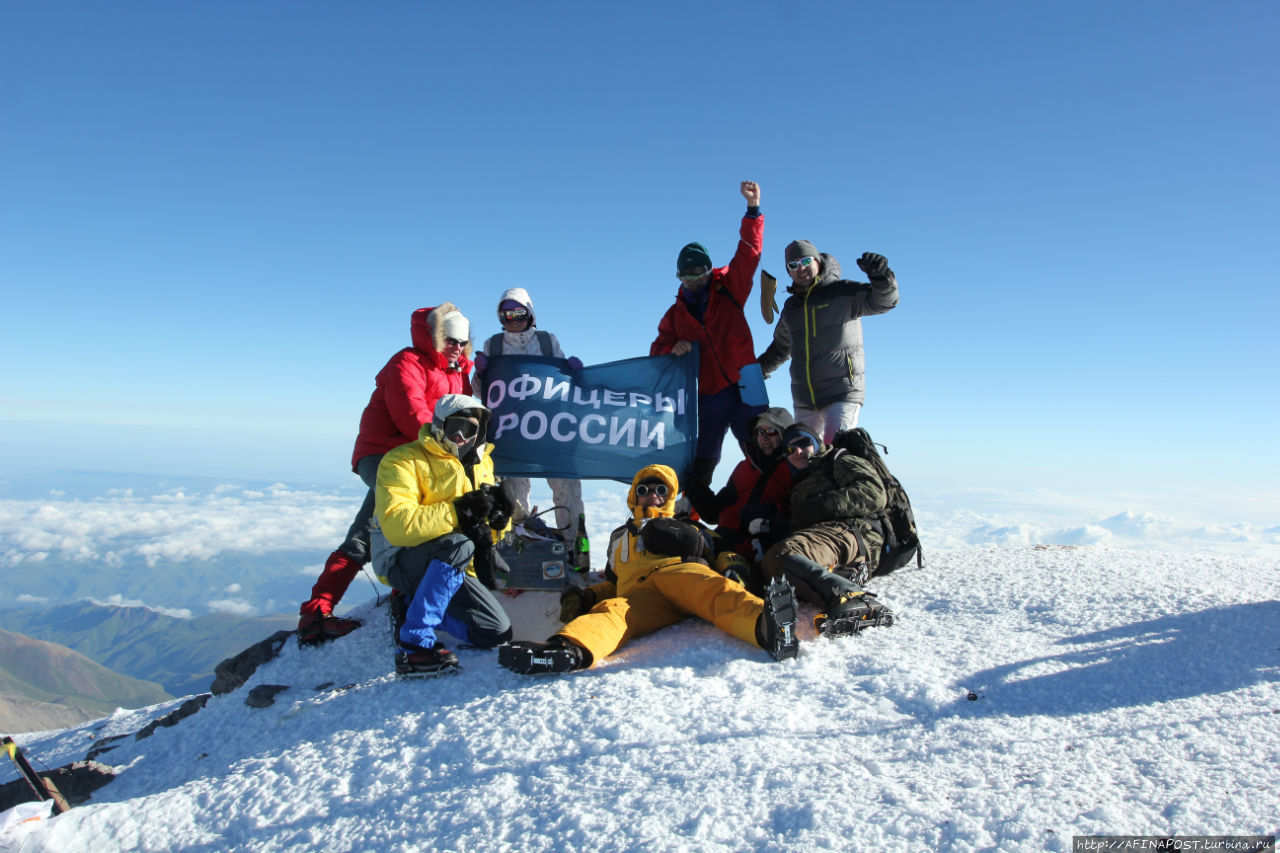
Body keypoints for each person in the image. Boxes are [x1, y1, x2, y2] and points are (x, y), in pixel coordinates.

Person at [497, 464, 801, 674]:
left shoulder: (688, 525)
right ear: (634, 494)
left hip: (681, 575)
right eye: (644, 488)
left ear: (670, 497)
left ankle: (767, 627)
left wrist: (734, 570)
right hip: (639, 594)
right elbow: (614, 583)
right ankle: (567, 650)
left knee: (712, 591)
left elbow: (723, 551)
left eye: (661, 489)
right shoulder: (619, 536)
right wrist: (589, 596)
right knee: (612, 611)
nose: (652, 494)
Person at [296, 304, 474, 646]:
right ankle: (326, 611)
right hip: (383, 454)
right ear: (436, 336)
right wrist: (450, 450)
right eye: (451, 339)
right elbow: (413, 414)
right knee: (386, 527)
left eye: (462, 342)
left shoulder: (457, 371)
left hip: (421, 458)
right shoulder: (406, 364)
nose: (456, 347)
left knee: (371, 529)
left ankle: (321, 610)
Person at [371, 394, 514, 675]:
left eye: (471, 430)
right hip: (401, 559)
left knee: (496, 633)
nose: (461, 437)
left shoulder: (482, 464)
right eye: (455, 428)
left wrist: (500, 523)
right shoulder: (402, 461)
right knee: (456, 543)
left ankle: (412, 603)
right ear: (439, 425)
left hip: (453, 565)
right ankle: (415, 644)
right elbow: (397, 526)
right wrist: (458, 512)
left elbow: (482, 529)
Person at [650, 181, 767, 491]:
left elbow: (749, 253)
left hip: (747, 380)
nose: (692, 281)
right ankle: (690, 516)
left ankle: (773, 508)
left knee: (763, 446)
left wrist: (753, 210)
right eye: (685, 277)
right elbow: (657, 352)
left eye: (698, 274)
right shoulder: (675, 316)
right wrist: (672, 348)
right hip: (710, 389)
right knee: (704, 455)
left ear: (708, 270)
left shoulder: (730, 288)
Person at [760, 423, 895, 637]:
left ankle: (851, 597)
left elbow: (874, 493)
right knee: (770, 565)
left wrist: (819, 506)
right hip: (833, 538)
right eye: (789, 449)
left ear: (816, 442)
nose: (797, 451)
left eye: (804, 443)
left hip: (853, 532)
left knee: (783, 554)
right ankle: (844, 574)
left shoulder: (839, 461)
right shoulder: (800, 482)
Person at [757, 241, 899, 443]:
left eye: (806, 261)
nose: (801, 268)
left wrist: (880, 276)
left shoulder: (842, 292)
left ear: (817, 260)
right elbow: (781, 348)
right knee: (804, 458)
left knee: (836, 451)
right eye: (793, 265)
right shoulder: (792, 308)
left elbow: (884, 301)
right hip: (805, 399)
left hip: (841, 393)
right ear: (789, 272)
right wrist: (756, 371)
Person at [472, 287, 586, 535]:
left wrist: (573, 372)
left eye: (519, 313)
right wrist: (481, 374)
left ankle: (573, 552)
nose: (513, 320)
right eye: (506, 315)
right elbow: (481, 393)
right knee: (513, 497)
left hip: (549, 428)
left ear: (531, 313)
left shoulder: (547, 342)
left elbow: (563, 385)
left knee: (567, 489)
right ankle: (522, 548)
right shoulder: (494, 345)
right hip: (510, 432)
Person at [682, 406, 796, 591]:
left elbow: (797, 515)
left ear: (785, 436)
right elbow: (714, 512)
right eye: (760, 431)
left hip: (760, 545)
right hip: (724, 537)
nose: (764, 438)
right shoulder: (745, 467)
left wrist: (771, 520)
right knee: (681, 538)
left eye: (772, 431)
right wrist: (691, 485)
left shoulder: (793, 470)